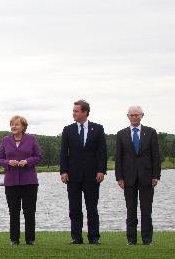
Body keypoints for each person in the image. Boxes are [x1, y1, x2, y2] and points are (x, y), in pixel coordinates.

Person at [59, 100, 107, 244]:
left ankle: (94, 237)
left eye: (76, 111)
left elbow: (102, 152)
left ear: (85, 112)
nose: (73, 113)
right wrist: (63, 171)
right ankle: (76, 237)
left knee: (92, 208)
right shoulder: (68, 130)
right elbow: (63, 153)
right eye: (73, 111)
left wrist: (101, 170)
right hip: (72, 175)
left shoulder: (98, 129)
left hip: (92, 175)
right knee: (74, 208)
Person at [115, 106, 161, 245]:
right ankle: (131, 239)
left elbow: (156, 156)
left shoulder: (151, 132)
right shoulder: (121, 134)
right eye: (132, 115)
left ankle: (147, 239)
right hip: (128, 177)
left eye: (137, 115)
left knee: (146, 209)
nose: (134, 117)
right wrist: (119, 177)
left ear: (142, 116)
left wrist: (156, 176)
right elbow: (119, 158)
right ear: (128, 116)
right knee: (131, 209)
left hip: (147, 177)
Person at [0, 115, 42, 245]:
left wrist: (27, 161)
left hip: (29, 181)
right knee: (14, 211)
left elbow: (38, 157)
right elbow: (0, 159)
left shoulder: (31, 139)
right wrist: (8, 162)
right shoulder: (5, 140)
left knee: (29, 211)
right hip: (11, 182)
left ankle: (30, 239)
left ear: (23, 127)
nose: (13, 127)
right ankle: (14, 239)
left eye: (16, 124)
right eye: (12, 124)